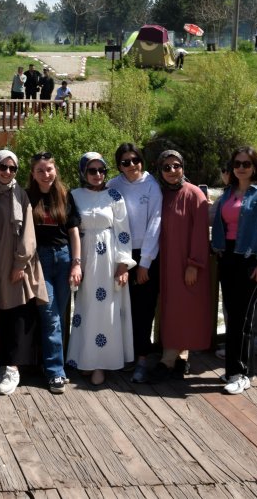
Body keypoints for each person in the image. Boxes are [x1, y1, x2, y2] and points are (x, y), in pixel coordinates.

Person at [211, 147, 257, 395]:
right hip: (228, 257)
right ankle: (238, 371)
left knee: (242, 318)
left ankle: (239, 373)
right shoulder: (227, 193)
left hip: (251, 260)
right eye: (237, 164)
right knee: (233, 316)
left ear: (255, 167)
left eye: (246, 164)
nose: (241, 168)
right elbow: (217, 221)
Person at [67, 153, 136, 386]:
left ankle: (100, 364)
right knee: (85, 309)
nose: (97, 175)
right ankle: (84, 359)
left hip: (108, 258)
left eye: (101, 171)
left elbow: (124, 232)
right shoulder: (74, 196)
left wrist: (123, 264)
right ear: (83, 172)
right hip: (84, 257)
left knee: (107, 309)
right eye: (92, 171)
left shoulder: (115, 196)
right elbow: (70, 229)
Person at [0, 150, 48, 395]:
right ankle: (0, 364)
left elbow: (28, 234)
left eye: (13, 168)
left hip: (15, 265)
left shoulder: (19, 194)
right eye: (3, 167)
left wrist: (20, 264)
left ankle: (14, 368)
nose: (8, 172)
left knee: (19, 315)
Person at [27, 152, 82, 394]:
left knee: (57, 315)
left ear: (55, 170)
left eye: (49, 169)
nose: (45, 174)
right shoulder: (27, 196)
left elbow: (73, 232)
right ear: (33, 173)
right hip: (40, 259)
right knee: (50, 316)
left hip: (63, 257)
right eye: (40, 170)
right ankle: (56, 372)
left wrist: (76, 263)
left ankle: (45, 363)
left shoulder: (64, 194)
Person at [107, 144, 161, 383]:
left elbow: (155, 224)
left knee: (143, 309)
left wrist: (145, 263)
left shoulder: (152, 186)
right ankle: (120, 357)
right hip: (117, 254)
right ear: (119, 165)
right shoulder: (112, 185)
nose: (131, 166)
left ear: (142, 161)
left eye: (135, 160)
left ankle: (141, 359)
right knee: (119, 308)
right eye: (125, 162)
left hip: (144, 255)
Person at [155, 150, 211, 378]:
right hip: (166, 264)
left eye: (176, 165)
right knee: (172, 309)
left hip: (187, 264)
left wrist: (194, 264)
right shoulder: (161, 194)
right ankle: (181, 358)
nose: (172, 171)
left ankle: (168, 360)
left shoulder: (195, 194)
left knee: (184, 310)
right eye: (166, 167)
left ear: (183, 167)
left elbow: (200, 234)